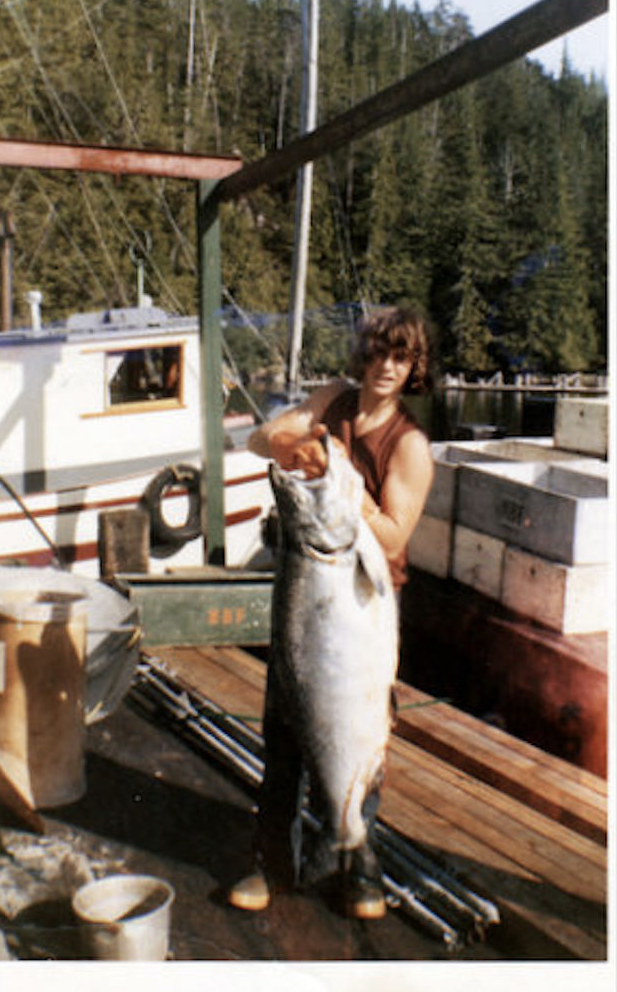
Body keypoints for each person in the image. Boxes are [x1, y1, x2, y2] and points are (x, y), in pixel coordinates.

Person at [228, 305, 435, 919]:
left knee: (360, 726)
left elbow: (393, 537)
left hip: (362, 598)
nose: (386, 366)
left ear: (414, 367)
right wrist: (296, 446)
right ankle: (272, 862)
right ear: (362, 355)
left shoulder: (410, 445)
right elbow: (259, 440)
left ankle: (355, 862)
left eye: (400, 357)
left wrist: (341, 479)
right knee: (284, 729)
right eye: (377, 353)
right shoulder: (332, 400)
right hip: (306, 581)